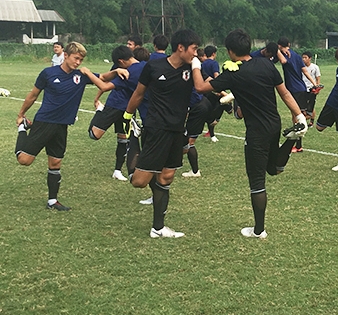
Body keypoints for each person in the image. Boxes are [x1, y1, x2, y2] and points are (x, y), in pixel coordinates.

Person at [192, 28, 307, 239]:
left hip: (257, 132)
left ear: (229, 51)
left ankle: (259, 230)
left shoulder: (233, 74)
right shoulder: (265, 64)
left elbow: (200, 87)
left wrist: (196, 64)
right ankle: (291, 140)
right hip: (274, 124)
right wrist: (298, 115)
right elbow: (284, 92)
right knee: (274, 169)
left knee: (257, 182)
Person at [15, 42, 119, 211]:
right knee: (24, 160)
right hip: (44, 122)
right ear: (66, 55)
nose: (78, 62)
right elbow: (33, 95)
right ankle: (22, 128)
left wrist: (116, 71)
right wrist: (21, 115)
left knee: (55, 162)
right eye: (76, 58)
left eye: (81, 59)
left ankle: (52, 201)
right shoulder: (48, 73)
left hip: (62, 125)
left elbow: (104, 78)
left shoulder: (81, 75)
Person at [124, 29, 201, 238]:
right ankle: (132, 141)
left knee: (166, 177)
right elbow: (139, 93)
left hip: (177, 130)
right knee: (139, 181)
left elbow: (202, 87)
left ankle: (158, 228)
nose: (196, 53)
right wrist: (127, 116)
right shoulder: (154, 66)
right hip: (156, 128)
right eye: (194, 49)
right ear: (180, 47)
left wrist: (196, 68)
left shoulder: (191, 69)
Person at [88, 46, 148, 181]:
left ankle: (117, 170)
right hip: (115, 104)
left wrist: (87, 72)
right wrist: (98, 98)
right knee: (94, 134)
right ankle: (100, 111)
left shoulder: (130, 71)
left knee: (123, 139)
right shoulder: (139, 67)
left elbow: (103, 84)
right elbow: (106, 83)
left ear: (120, 61)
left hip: (129, 108)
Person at [276, 37, 316, 153]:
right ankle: (298, 144)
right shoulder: (297, 56)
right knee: (298, 116)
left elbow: (282, 61)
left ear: (279, 45)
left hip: (293, 90)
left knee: (296, 118)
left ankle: (298, 145)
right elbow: (305, 71)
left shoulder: (284, 56)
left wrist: (278, 50)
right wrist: (314, 84)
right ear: (289, 44)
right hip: (302, 88)